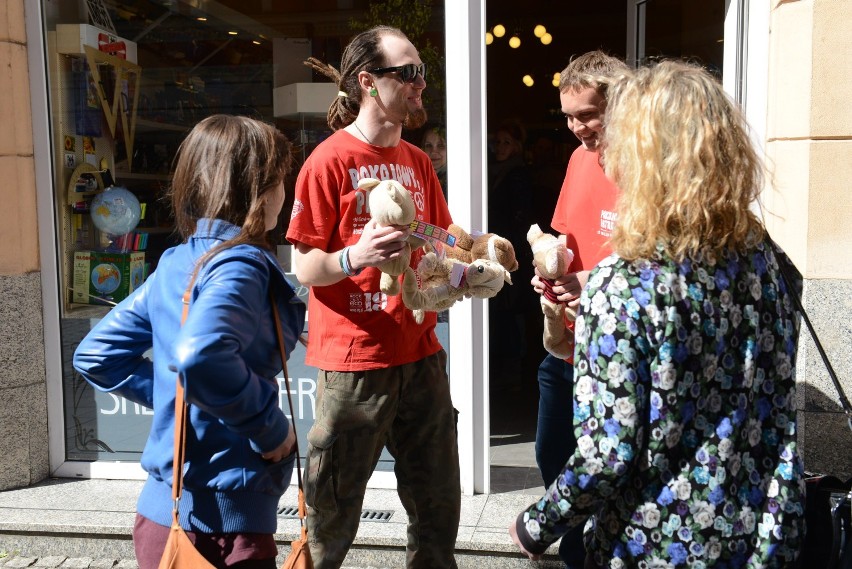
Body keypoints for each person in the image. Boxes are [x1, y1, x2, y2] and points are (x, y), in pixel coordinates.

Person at [510, 60, 805, 566]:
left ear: (642, 157)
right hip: (767, 534)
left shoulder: (624, 287)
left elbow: (607, 454)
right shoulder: (769, 258)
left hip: (661, 542)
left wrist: (535, 525)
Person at [73, 114, 306, 569]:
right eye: (280, 180)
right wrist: (271, 427)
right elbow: (201, 355)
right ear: (257, 189)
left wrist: (182, 396)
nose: (285, 192)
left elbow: (96, 356)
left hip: (162, 519)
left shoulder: (178, 261)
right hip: (225, 530)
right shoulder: (240, 264)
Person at [291, 26, 460, 569]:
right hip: (353, 365)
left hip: (422, 355)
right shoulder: (329, 161)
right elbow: (304, 268)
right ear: (368, 81)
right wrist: (354, 256)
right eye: (408, 73)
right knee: (330, 516)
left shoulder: (415, 160)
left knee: (438, 508)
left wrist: (466, 265)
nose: (420, 86)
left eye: (422, 74)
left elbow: (441, 237)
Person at [531, 50, 628, 568]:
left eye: (587, 115)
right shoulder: (578, 158)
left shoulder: (654, 167)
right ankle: (577, 554)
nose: (575, 128)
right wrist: (550, 266)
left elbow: (659, 262)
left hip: (617, 355)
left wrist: (591, 281)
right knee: (553, 456)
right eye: (568, 116)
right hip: (566, 343)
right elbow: (564, 236)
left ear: (621, 105)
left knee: (607, 473)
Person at [487, 119, 537, 389]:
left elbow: (521, 217)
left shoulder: (516, 175)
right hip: (498, 249)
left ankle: (513, 370)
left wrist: (514, 254)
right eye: (498, 141)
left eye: (507, 142)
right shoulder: (495, 172)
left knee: (511, 311)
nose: (500, 147)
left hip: (511, 253)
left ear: (517, 146)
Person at [421, 123, 448, 199]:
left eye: (441, 146)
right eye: (429, 146)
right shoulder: (417, 178)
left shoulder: (454, 180)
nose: (433, 152)